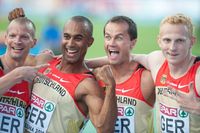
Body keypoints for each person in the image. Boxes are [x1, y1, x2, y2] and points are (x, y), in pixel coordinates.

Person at [24, 16, 117, 133]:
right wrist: (20, 23)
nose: (70, 43)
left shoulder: (87, 85)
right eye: (66, 37)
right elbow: (13, 60)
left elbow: (105, 129)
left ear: (90, 41)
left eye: (78, 38)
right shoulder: (45, 61)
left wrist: (111, 87)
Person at [84, 16, 155, 133]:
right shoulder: (96, 76)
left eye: (119, 38)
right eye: (108, 37)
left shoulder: (146, 78)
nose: (111, 43)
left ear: (133, 43)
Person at [132, 13, 200, 132]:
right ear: (159, 41)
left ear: (191, 42)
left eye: (180, 40)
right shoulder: (157, 61)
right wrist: (87, 64)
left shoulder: (198, 74)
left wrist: (197, 108)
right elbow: (126, 57)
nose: (172, 47)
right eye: (167, 40)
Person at [0, 16, 48, 132]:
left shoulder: (29, 77)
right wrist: (18, 74)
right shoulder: (22, 73)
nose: (17, 41)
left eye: (24, 37)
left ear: (34, 43)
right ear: (5, 39)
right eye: (12, 36)